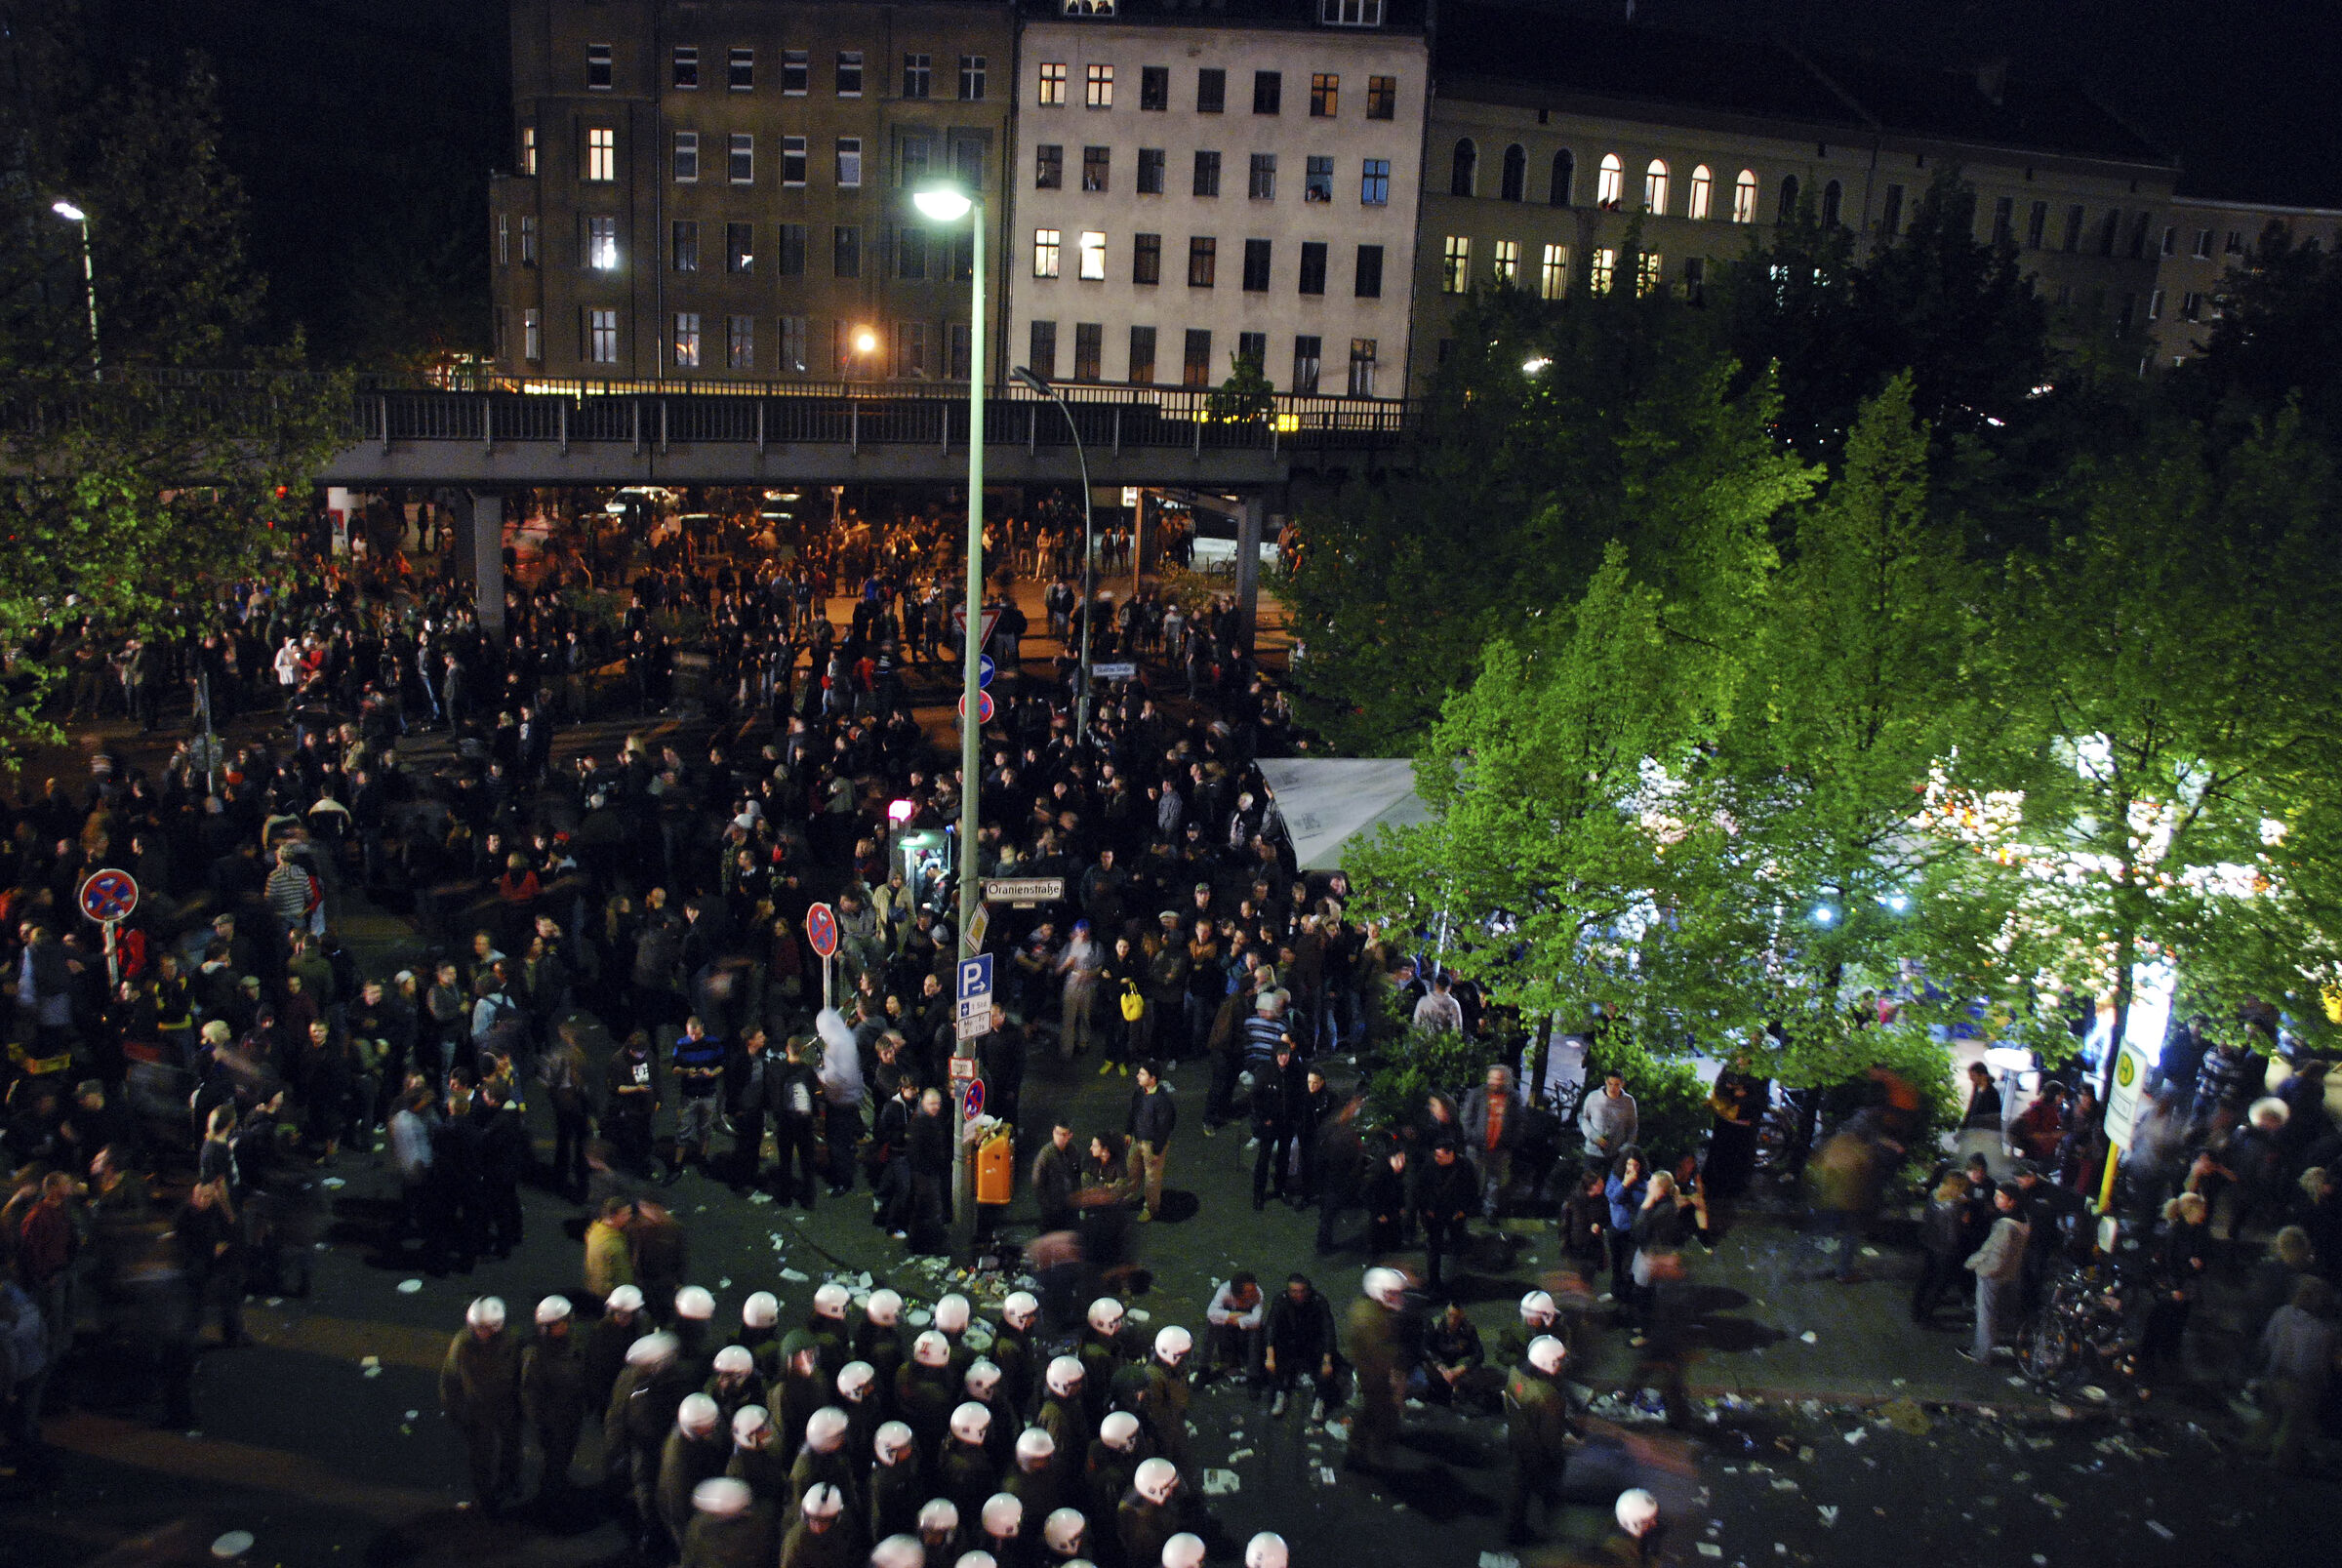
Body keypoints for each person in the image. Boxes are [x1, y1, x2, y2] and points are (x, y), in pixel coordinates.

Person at [440, 1296, 524, 1513]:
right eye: (478, 1328)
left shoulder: (513, 1342)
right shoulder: (463, 1344)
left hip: (506, 1407)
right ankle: (484, 1498)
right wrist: (455, 1410)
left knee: (511, 1449)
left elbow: (523, 1375)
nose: (481, 1333)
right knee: (480, 1456)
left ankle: (509, 1484)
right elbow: (450, 1378)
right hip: (477, 1410)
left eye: (486, 1328)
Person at [2250, 1276, 2335, 1474]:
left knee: (2270, 1417)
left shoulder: (2282, 1314)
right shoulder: (2324, 1331)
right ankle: (2280, 1463)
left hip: (2275, 1376)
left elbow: (2266, 1343)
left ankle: (2255, 1451)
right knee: (2291, 1426)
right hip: (2301, 1386)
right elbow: (2320, 1366)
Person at [521, 1295, 588, 1506]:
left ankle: (559, 1483)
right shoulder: (536, 1355)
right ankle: (551, 1496)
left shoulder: (572, 1342)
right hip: (553, 1418)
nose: (567, 1325)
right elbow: (530, 1393)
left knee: (566, 1453)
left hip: (571, 1411)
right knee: (554, 1458)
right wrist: (543, 1421)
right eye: (562, 1322)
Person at [1502, 1335, 1569, 1545]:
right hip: (1536, 1451)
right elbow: (1551, 1439)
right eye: (1559, 1361)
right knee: (1545, 1489)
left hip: (1517, 1438)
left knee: (1519, 1487)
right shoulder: (1548, 1396)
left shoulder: (1515, 1374)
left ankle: (1514, 1528)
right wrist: (1558, 1455)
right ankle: (1551, 1533)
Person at [1958, 1183, 2030, 1366]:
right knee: (1997, 1312)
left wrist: (1975, 1265)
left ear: (2011, 1201)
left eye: (2000, 1197)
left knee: (1986, 1315)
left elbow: (1995, 1253)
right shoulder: (2023, 1219)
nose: (1995, 1199)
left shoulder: (2006, 1226)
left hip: (1993, 1274)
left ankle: (1982, 1353)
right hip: (2010, 1272)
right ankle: (1992, 1346)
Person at [1344, 1267, 1406, 1470]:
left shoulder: (1371, 1309)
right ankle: (1364, 1453)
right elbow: (1378, 1352)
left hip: (1373, 1372)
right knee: (1376, 1411)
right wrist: (1395, 1370)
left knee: (1372, 1411)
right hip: (1372, 1373)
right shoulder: (1367, 1319)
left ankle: (1359, 1451)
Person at [1263, 1272, 1339, 1422]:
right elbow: (1271, 1327)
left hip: (1312, 1342)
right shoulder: (1281, 1300)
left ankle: (1320, 1400)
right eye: (1294, 1291)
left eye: (1302, 1291)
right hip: (1289, 1342)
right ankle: (1280, 1392)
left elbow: (1328, 1331)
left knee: (1327, 1369)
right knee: (1274, 1362)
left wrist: (1327, 1360)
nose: (1298, 1295)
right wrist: (1270, 1357)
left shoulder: (1318, 1301)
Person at [1461, 1065, 1521, 1218]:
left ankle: (1490, 1211)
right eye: (1492, 1078)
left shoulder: (1513, 1098)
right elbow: (1466, 1119)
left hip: (1501, 1148)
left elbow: (1520, 1122)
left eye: (1499, 1079)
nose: (1494, 1082)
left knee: (1495, 1182)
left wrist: (1511, 1142)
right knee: (1473, 1179)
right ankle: (1470, 1208)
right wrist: (1472, 1138)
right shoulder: (1477, 1094)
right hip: (1477, 1146)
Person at [1911, 1170, 1971, 1326]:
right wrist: (1964, 1222)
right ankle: (1926, 1317)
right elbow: (1952, 1235)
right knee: (1939, 1283)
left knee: (1925, 1278)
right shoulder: (1954, 1206)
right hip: (1945, 1250)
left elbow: (1926, 1217)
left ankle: (1916, 1311)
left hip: (1929, 1241)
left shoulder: (1934, 1194)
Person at [1126, 1062, 1176, 1223]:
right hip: (1137, 1140)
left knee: (1152, 1180)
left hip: (1152, 1145)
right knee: (1132, 1171)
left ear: (1152, 1079)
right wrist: (1128, 1132)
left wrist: (1157, 1151)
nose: (1137, 1076)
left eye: (1141, 1074)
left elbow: (1165, 1127)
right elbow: (1132, 1112)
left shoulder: (1162, 1101)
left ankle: (1151, 1209)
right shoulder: (1139, 1092)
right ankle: (1127, 1198)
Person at [1201, 1272, 1267, 1387]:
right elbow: (1211, 1313)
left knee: (1257, 1332)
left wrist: (1237, 1321)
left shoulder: (1258, 1294)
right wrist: (1235, 1315)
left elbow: (1256, 1320)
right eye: (1248, 1292)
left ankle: (1253, 1376)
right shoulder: (1224, 1291)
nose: (1253, 1293)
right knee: (1212, 1326)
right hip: (1227, 1328)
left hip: (1246, 1331)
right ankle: (1203, 1368)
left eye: (1253, 1289)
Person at [1580, 1070, 1637, 1162]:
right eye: (1610, 1084)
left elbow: (1633, 1127)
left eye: (1616, 1085)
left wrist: (1627, 1146)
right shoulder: (1593, 1097)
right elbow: (1583, 1119)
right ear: (1606, 1082)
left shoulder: (1628, 1101)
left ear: (1622, 1084)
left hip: (1616, 1154)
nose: (1612, 1088)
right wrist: (1593, 1135)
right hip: (1593, 1152)